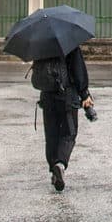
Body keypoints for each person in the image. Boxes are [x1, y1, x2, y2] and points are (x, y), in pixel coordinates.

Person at [37, 45, 93, 192]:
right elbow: (78, 70)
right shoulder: (69, 43)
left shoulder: (40, 43)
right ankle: (60, 165)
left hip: (47, 95)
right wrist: (84, 94)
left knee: (51, 135)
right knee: (69, 133)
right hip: (66, 94)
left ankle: (54, 172)